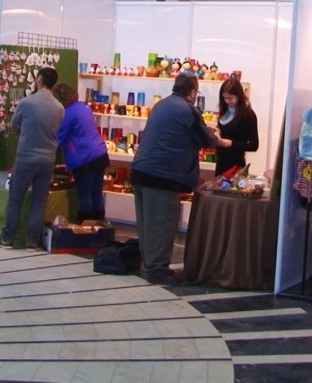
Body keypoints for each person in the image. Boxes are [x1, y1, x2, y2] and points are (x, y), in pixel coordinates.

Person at [131, 73, 220, 284]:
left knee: (146, 224)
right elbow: (205, 139)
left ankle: (149, 264)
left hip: (141, 170)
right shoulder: (188, 110)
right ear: (192, 92)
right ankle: (157, 270)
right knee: (162, 224)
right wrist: (217, 138)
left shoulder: (161, 105)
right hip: (163, 175)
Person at [0, 67, 64, 249]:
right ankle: (33, 240)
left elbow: (14, 125)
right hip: (47, 160)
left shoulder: (26, 103)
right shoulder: (59, 108)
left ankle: (8, 237)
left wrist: (27, 133)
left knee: (15, 199)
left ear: (39, 79)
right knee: (39, 202)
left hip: (26, 157)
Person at [52, 82, 109, 222]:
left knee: (85, 194)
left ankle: (86, 225)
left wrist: (46, 151)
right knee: (96, 193)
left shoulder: (68, 114)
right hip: (100, 153)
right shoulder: (84, 107)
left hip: (84, 158)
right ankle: (100, 225)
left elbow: (59, 138)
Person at [212, 77, 259, 177]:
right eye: (224, 98)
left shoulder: (248, 115)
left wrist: (232, 144)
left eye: (230, 98)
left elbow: (254, 145)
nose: (227, 101)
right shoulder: (224, 110)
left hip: (236, 165)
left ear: (239, 96)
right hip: (221, 162)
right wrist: (217, 131)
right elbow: (225, 129)